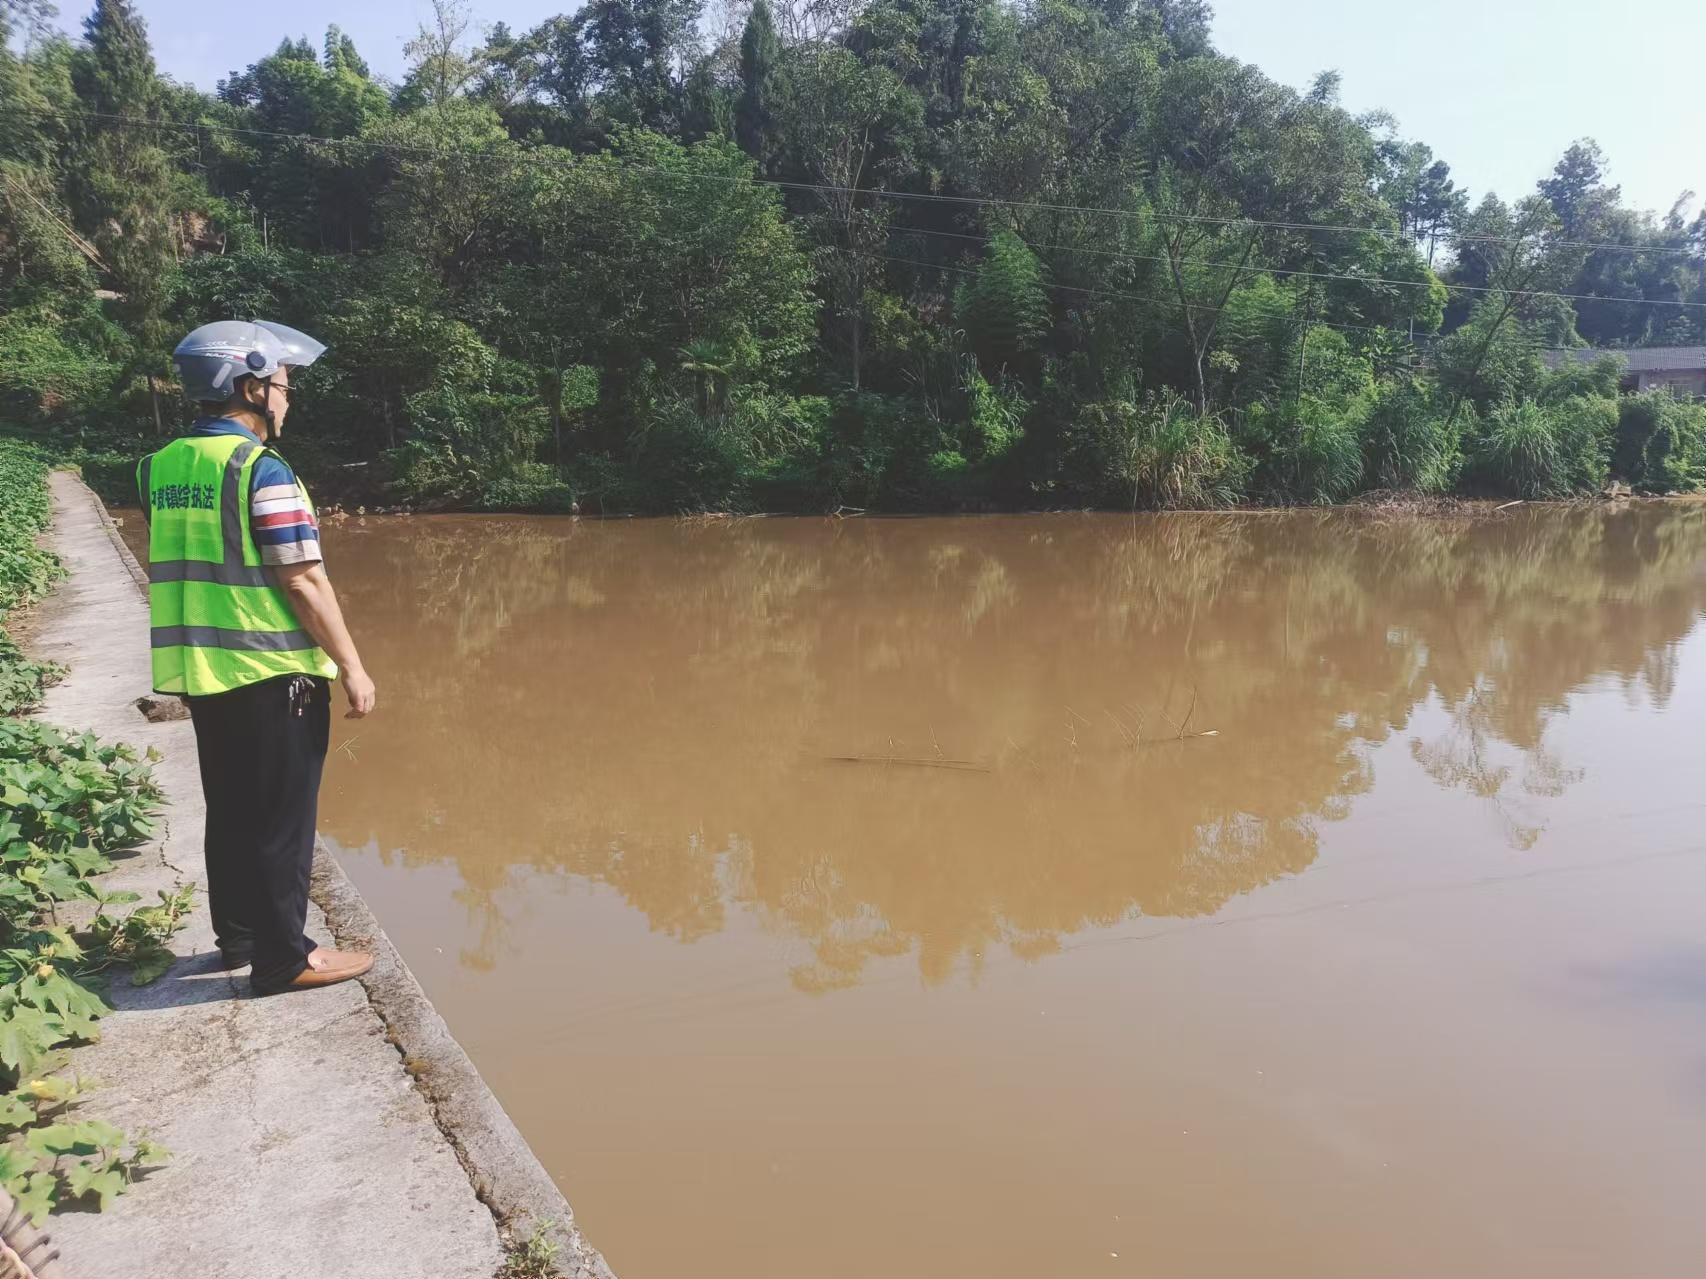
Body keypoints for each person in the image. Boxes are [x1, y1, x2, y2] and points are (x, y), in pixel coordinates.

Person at [137, 320, 377, 995]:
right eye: (282, 385)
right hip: (274, 673)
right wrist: (353, 666)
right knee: (282, 819)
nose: (288, 399)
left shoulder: (161, 466)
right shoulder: (260, 469)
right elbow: (301, 578)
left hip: (205, 672)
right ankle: (283, 957)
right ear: (249, 386)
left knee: (234, 807)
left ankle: (239, 936)